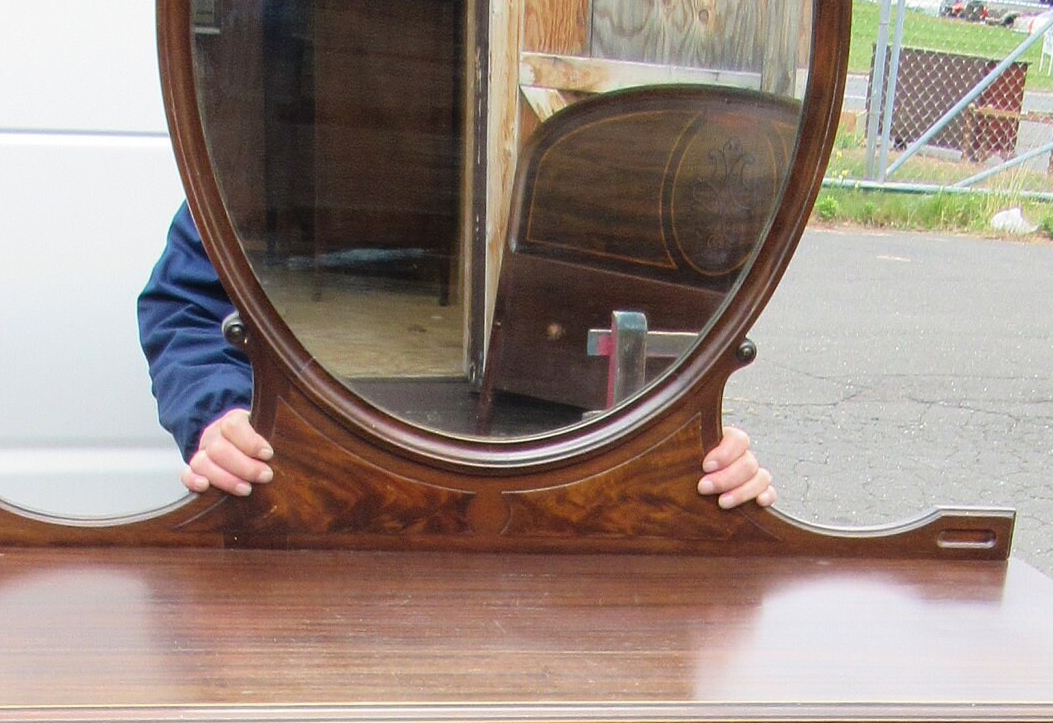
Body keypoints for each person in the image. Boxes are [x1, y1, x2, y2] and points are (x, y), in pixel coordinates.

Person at [137, 203, 774, 508]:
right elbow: (185, 306)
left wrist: (700, 458)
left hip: (548, 502)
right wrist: (221, 414)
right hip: (316, 491)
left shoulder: (604, 172)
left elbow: (673, 353)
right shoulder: (263, 143)